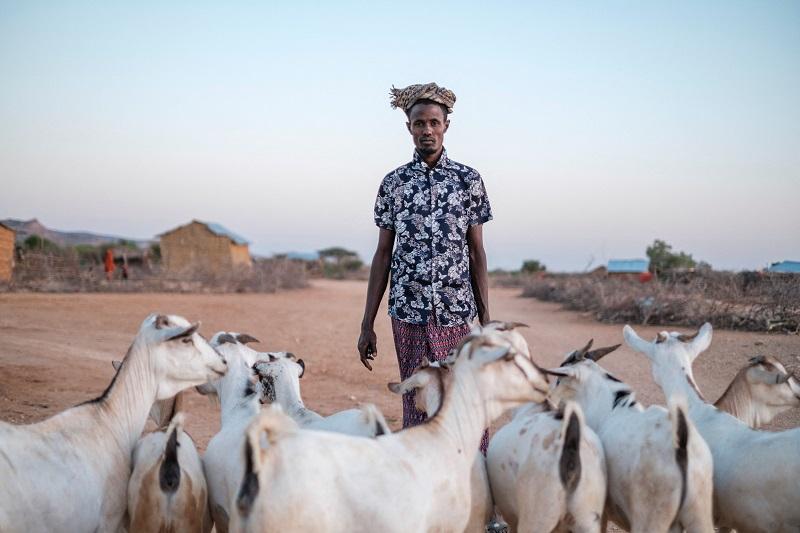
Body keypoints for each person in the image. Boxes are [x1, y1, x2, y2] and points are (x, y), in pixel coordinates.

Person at [357, 82, 493, 446]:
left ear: (446, 125)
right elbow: (383, 254)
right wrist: (367, 323)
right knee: (417, 404)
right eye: (420, 124)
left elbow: (476, 252)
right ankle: (419, 491)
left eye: (434, 122)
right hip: (408, 313)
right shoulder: (394, 184)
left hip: (455, 312)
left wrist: (486, 319)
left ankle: (476, 489)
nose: (427, 130)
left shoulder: (468, 181)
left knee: (464, 402)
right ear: (409, 128)